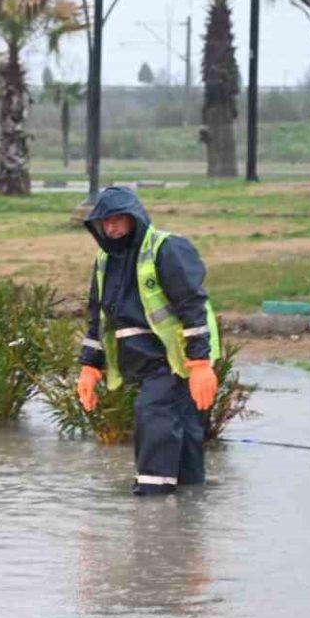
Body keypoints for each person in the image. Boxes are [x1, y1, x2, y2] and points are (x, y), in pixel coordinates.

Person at [76, 186, 220, 496]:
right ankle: (190, 500)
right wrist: (90, 366)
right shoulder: (105, 260)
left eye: (118, 219)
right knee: (184, 427)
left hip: (176, 355)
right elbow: (98, 316)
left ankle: (153, 496)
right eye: (105, 221)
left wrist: (199, 362)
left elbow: (192, 304)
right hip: (145, 359)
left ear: (134, 217)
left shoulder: (166, 249)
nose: (112, 227)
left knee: (153, 411)